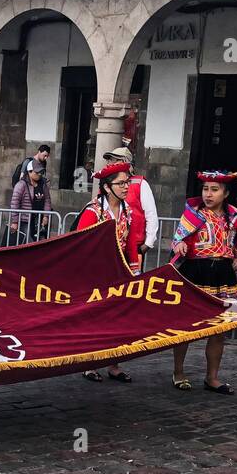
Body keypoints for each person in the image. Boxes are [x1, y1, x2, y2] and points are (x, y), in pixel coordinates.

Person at [169, 170, 237, 394]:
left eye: (214, 189)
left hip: (224, 276)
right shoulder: (192, 214)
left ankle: (212, 377)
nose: (208, 194)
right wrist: (178, 246)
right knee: (185, 327)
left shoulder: (234, 217)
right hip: (194, 272)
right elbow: (178, 238)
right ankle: (178, 371)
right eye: (205, 189)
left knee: (220, 329)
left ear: (225, 193)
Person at [77, 162, 146, 384]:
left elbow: (132, 246)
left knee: (117, 319)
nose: (127, 187)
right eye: (121, 183)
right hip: (94, 273)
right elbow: (80, 244)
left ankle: (114, 364)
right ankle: (90, 363)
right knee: (94, 318)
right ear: (107, 187)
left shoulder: (129, 213)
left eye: (128, 182)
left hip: (119, 272)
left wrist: (134, 273)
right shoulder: (92, 212)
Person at [8, 157, 52, 244]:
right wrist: (15, 222)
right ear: (29, 171)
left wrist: (46, 216)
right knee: (26, 243)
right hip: (25, 220)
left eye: (41, 172)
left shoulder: (43, 184)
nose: (39, 174)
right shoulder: (21, 185)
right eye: (37, 172)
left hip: (38, 220)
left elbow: (47, 200)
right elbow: (14, 203)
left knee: (40, 242)